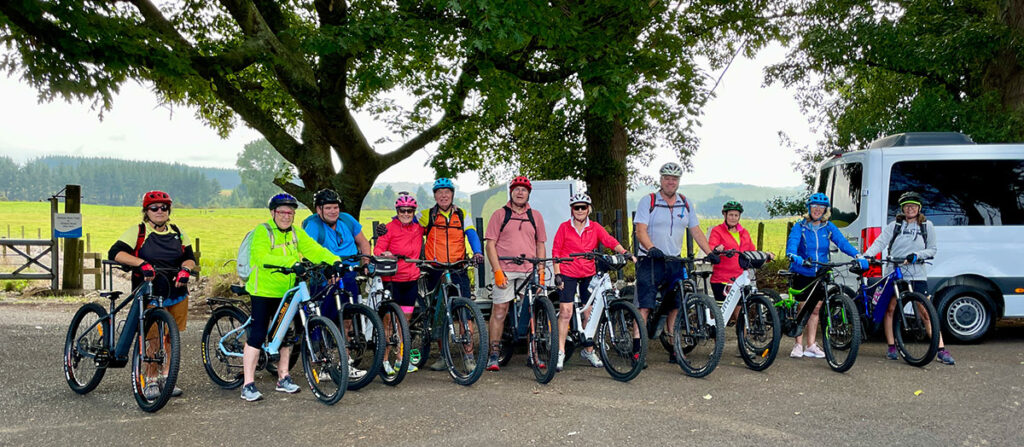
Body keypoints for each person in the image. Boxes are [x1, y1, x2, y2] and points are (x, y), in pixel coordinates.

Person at [240, 193, 343, 402]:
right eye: (282, 212)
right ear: (273, 213)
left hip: (286, 291)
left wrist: (334, 261)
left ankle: (283, 377)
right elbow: (260, 257)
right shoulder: (263, 231)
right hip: (263, 290)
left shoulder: (296, 233)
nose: (286, 216)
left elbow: (315, 250)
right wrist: (290, 262)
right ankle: (248, 384)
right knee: (258, 333)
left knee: (288, 333)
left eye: (290, 212)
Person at [108, 190, 196, 400]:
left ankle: (167, 377)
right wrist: (142, 264)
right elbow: (116, 253)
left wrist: (186, 269)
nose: (159, 211)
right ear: (146, 211)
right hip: (149, 293)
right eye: (154, 208)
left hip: (177, 292)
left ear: (169, 211)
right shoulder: (139, 231)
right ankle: (151, 380)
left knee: (170, 337)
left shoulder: (177, 232)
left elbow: (189, 257)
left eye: (163, 208)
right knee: (153, 338)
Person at [633, 162, 720, 364]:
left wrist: (710, 252)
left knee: (676, 306)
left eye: (674, 179)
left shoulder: (685, 203)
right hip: (650, 260)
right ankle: (638, 350)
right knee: (644, 306)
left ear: (678, 182)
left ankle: (674, 348)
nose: (670, 182)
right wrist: (651, 247)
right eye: (667, 178)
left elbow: (696, 230)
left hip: (674, 261)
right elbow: (640, 230)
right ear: (661, 180)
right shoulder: (649, 201)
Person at [862, 191, 954, 365]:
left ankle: (941, 349)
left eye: (913, 206)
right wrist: (866, 256)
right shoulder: (894, 225)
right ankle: (891, 346)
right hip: (894, 270)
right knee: (891, 308)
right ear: (902, 208)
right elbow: (880, 243)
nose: (910, 208)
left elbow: (932, 250)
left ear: (919, 208)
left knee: (925, 312)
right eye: (906, 206)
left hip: (917, 273)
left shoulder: (927, 226)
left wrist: (917, 255)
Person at [551, 192, 634, 371]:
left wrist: (625, 252)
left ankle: (588, 350)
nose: (580, 210)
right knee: (566, 311)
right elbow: (556, 251)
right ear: (572, 210)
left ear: (589, 209)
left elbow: (610, 241)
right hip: (568, 272)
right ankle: (560, 352)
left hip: (588, 273)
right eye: (576, 207)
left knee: (590, 312)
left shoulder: (595, 227)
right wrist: (557, 274)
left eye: (583, 207)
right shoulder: (564, 228)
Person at [301, 188, 372, 380]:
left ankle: (345, 362)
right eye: (329, 208)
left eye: (336, 207)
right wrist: (325, 269)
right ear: (319, 210)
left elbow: (363, 243)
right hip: (324, 276)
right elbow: (308, 252)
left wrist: (366, 263)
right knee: (324, 319)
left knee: (347, 318)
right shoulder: (314, 226)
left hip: (347, 273)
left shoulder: (347, 220)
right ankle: (324, 364)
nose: (334, 211)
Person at [785, 192, 866, 359]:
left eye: (821, 208)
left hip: (820, 271)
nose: (817, 210)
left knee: (815, 309)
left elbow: (842, 242)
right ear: (809, 208)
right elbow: (791, 246)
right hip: (802, 270)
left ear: (825, 210)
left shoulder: (828, 227)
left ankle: (811, 345)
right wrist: (795, 257)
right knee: (802, 308)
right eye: (814, 207)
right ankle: (798, 344)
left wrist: (858, 255)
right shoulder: (800, 227)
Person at [416, 178, 486, 371]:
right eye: (439, 192)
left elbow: (471, 235)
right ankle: (443, 356)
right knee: (439, 314)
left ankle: (469, 357)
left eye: (447, 192)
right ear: (435, 196)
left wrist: (477, 251)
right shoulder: (427, 215)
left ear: (452, 194)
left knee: (464, 313)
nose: (443, 196)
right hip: (435, 269)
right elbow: (407, 226)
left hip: (458, 267)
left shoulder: (462, 215)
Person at [484, 175, 548, 371]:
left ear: (529, 194)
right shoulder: (499, 214)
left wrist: (541, 270)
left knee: (531, 311)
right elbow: (490, 244)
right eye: (517, 189)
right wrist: (497, 271)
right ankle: (494, 354)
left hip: (528, 270)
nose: (520, 192)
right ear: (511, 192)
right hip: (505, 269)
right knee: (500, 310)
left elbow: (540, 244)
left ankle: (533, 353)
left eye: (524, 190)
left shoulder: (535, 215)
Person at [374, 194, 424, 374]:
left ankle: (401, 359)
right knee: (389, 322)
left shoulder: (418, 228)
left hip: (411, 280)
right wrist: (385, 253)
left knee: (405, 322)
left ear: (414, 212)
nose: (406, 213)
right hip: (392, 281)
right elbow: (378, 249)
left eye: (409, 211)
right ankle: (385, 360)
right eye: (402, 210)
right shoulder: (388, 228)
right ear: (397, 211)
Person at [707, 201, 774, 320]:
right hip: (723, 279)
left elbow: (751, 252)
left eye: (736, 215)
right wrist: (717, 249)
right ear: (725, 215)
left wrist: (765, 255)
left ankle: (742, 337)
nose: (733, 218)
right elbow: (711, 246)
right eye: (731, 215)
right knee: (721, 315)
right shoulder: (717, 231)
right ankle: (714, 332)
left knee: (741, 313)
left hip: (740, 278)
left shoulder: (744, 233)